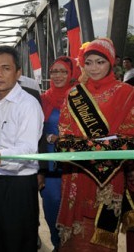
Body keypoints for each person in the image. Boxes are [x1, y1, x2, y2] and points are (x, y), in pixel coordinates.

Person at [55, 38, 134, 251]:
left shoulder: (126, 93)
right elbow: (64, 133)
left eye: (100, 62)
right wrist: (85, 146)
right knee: (75, 237)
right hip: (77, 173)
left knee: (101, 238)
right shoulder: (73, 95)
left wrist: (85, 145)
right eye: (88, 62)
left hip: (110, 175)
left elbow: (129, 136)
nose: (94, 68)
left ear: (110, 63)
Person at [0, 45, 43, 251]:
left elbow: (29, 149)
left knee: (18, 242)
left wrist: (1, 156)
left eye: (5, 68)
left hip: (19, 186)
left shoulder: (28, 105)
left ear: (18, 73)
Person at [40, 56, 77, 251]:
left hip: (75, 161)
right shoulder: (43, 99)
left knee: (73, 204)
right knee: (52, 203)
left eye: (63, 71)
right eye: (54, 71)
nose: (58, 75)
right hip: (51, 160)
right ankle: (58, 243)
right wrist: (48, 138)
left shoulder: (80, 98)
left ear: (71, 73)